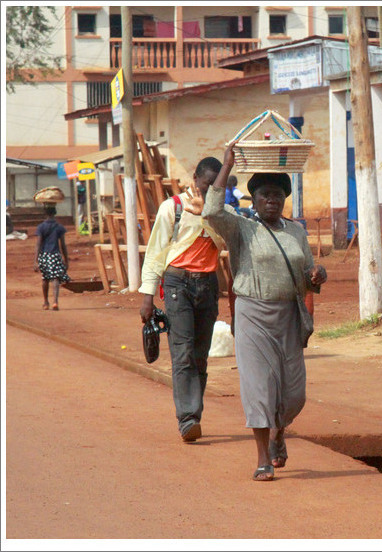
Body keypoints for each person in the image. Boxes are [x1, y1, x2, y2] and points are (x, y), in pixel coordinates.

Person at [196, 142, 327, 482]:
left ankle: (280, 430)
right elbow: (211, 211)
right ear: (253, 199)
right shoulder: (241, 227)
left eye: (277, 195)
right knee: (258, 388)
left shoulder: (296, 231)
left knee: (293, 394)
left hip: (288, 316)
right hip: (253, 314)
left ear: (285, 200)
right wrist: (226, 165)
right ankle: (262, 458)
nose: (271, 200)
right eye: (265, 195)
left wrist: (317, 278)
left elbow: (308, 276)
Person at [139, 156, 232, 443]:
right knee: (183, 352)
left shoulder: (224, 212)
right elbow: (156, 252)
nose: (209, 193)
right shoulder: (173, 208)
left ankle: (194, 415)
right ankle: (188, 418)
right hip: (178, 284)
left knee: (200, 356)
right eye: (206, 186)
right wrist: (147, 295)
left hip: (208, 285)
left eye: (216, 188)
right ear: (195, 179)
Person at [34, 204, 70, 310]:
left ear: (45, 213)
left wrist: (35, 260)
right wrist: (66, 260)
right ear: (55, 213)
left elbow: (38, 244)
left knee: (45, 278)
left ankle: (45, 302)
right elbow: (63, 245)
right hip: (55, 255)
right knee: (56, 279)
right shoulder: (59, 227)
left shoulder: (41, 227)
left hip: (44, 255)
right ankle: (55, 301)